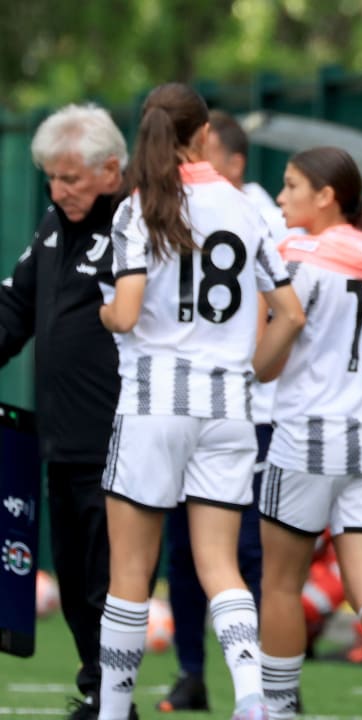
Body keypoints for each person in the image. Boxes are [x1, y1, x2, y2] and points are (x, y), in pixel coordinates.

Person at [96, 83, 305, 720]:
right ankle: (252, 700)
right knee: (223, 566)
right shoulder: (247, 208)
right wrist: (255, 371)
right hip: (229, 406)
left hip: (155, 403)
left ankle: (110, 711)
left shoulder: (139, 207)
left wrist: (101, 311)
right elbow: (289, 314)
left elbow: (126, 313)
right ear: (205, 132)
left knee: (131, 572)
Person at [258, 145, 362, 720]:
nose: (281, 197)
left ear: (326, 196)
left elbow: (267, 362)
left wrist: (257, 352)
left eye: (291, 185)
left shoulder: (299, 260)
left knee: (279, 583)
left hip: (307, 436)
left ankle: (277, 710)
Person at [157, 108, 286, 714]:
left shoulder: (259, 211)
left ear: (228, 163)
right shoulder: (176, 206)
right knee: (187, 549)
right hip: (201, 404)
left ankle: (263, 682)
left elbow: (284, 307)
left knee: (249, 551)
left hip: (252, 409)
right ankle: (196, 672)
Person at [0, 103, 125, 718]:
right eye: (52, 177)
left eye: (71, 178)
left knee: (107, 581)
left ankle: (114, 697)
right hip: (60, 438)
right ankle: (99, 687)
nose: (59, 189)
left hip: (117, 437)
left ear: (111, 169)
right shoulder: (52, 225)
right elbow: (13, 310)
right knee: (74, 578)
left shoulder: (137, 227)